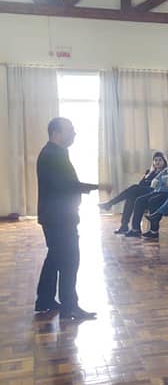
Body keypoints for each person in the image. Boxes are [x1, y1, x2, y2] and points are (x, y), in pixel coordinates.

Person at [34, 117, 99, 320]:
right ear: (56, 133)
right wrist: (95, 187)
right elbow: (65, 185)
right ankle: (69, 306)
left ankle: (44, 300)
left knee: (55, 258)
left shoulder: (57, 153)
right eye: (70, 130)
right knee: (70, 260)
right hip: (59, 217)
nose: (74, 134)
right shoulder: (52, 155)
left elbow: (66, 184)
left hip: (57, 216)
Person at [101, 152, 167, 235]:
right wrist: (147, 177)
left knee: (133, 188)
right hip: (143, 196)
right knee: (131, 198)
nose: (157, 162)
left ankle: (110, 203)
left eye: (160, 160)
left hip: (154, 194)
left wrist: (145, 184)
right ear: (153, 162)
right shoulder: (149, 172)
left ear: (164, 161)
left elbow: (158, 186)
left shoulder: (166, 172)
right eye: (155, 160)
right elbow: (141, 184)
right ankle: (125, 226)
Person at [125, 152, 168, 236]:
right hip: (159, 191)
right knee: (139, 200)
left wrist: (163, 181)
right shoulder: (167, 170)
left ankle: (154, 231)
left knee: (153, 201)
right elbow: (155, 182)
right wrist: (164, 181)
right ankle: (135, 229)